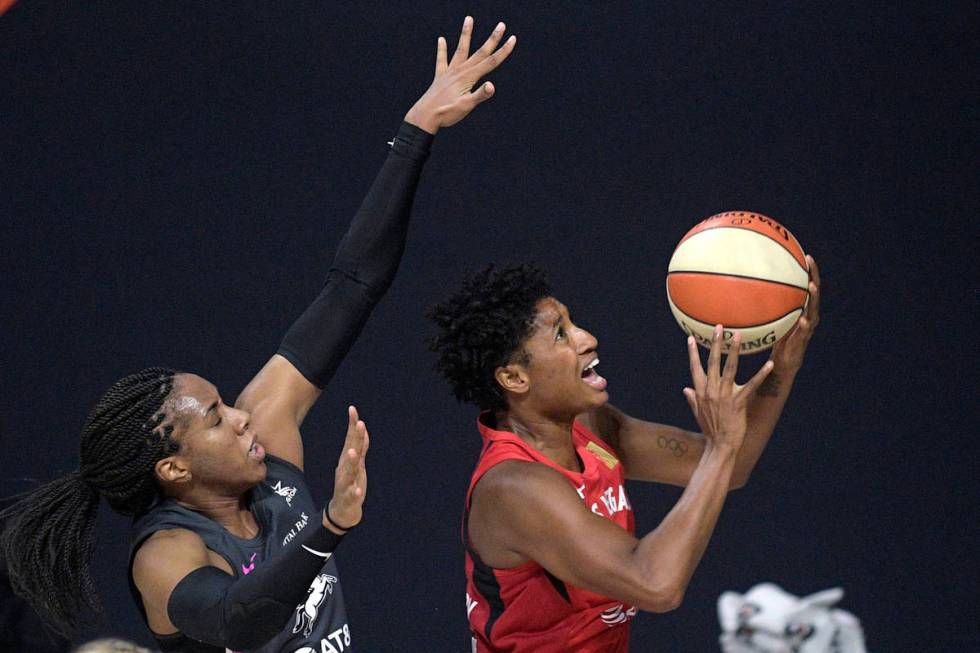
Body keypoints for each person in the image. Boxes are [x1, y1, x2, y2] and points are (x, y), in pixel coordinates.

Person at [0, 17, 516, 653]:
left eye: (225, 404)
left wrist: (416, 133)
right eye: (215, 418)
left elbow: (352, 285)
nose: (242, 418)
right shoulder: (167, 552)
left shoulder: (268, 442)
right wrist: (330, 525)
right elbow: (235, 618)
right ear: (173, 467)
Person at [428, 261, 821, 652]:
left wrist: (782, 367)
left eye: (572, 322)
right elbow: (655, 584)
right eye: (561, 335)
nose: (587, 338)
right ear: (514, 378)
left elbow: (730, 469)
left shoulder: (589, 425)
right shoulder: (513, 487)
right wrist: (720, 447)